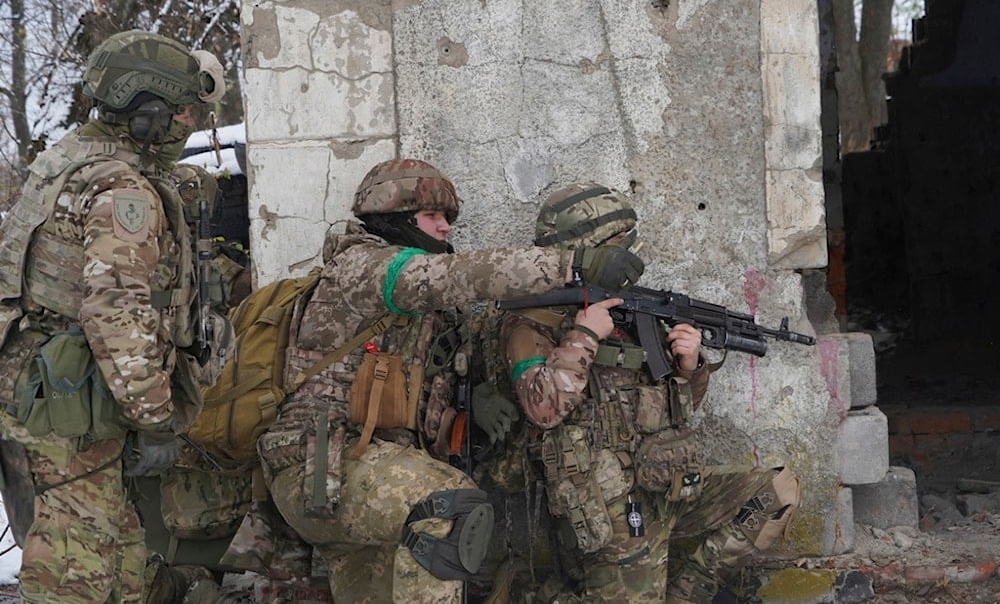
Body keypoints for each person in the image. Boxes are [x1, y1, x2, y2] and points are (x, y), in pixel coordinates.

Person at [245, 159, 644, 603]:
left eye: (448, 219)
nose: (445, 228)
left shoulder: (425, 315)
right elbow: (456, 277)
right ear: (395, 217)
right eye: (433, 216)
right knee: (449, 507)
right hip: (320, 469)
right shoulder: (364, 268)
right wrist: (574, 264)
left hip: (361, 480)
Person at [0, 29, 227, 602]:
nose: (188, 124)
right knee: (76, 567)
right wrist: (153, 418)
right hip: (72, 400)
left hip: (43, 380)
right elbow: (116, 313)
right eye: (180, 112)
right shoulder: (120, 187)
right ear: (145, 110)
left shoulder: (67, 160)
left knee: (121, 553)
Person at [496, 182, 801, 603]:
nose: (630, 253)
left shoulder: (633, 311)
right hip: (610, 506)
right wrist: (585, 334)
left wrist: (689, 366)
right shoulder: (534, 321)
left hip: (669, 486)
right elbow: (542, 408)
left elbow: (680, 408)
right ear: (587, 249)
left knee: (776, 493)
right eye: (619, 244)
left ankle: (689, 593)